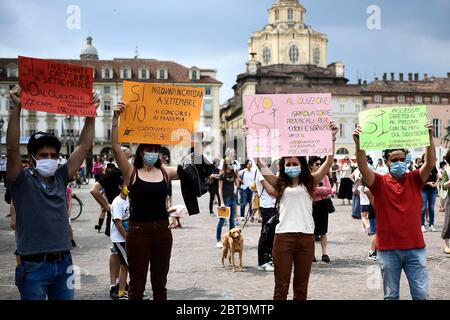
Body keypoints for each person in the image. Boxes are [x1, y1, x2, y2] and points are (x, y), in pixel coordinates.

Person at [7, 85, 99, 300]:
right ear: (32, 159)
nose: (49, 158)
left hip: (64, 262)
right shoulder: (20, 180)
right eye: (43, 155)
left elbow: (84, 146)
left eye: (53, 155)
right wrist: (17, 108)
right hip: (33, 265)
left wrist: (91, 114)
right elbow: (12, 147)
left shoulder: (60, 177)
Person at [353, 120, 435, 300]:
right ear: (387, 162)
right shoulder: (379, 182)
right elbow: (363, 167)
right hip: (388, 250)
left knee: (421, 295)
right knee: (391, 296)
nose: (399, 163)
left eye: (402, 160)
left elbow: (429, 164)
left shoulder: (414, 179)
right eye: (394, 160)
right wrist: (359, 144)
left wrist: (429, 137)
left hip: (416, 248)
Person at [255, 121, 338, 300]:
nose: (291, 166)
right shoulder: (280, 183)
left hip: (306, 238)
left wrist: (331, 138)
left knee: (301, 289)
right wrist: (252, 139)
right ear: (283, 166)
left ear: (301, 164)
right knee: (281, 288)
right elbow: (260, 164)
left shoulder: (310, 182)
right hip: (283, 238)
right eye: (288, 164)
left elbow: (329, 161)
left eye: (294, 163)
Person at [112, 101, 181, 300]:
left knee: (160, 284)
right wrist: (115, 119)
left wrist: (197, 142)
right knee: (137, 285)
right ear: (141, 151)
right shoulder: (131, 172)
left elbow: (189, 171)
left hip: (162, 231)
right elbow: (116, 148)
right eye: (148, 148)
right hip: (138, 232)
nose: (152, 152)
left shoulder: (165, 172)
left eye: (155, 149)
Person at [309, 156, 333, 263]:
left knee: (323, 231)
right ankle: (312, 254)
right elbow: (310, 191)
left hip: (323, 205)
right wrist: (322, 190)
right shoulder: (309, 177)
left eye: (320, 164)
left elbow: (329, 190)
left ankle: (324, 253)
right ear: (311, 166)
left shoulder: (325, 177)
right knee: (312, 232)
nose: (319, 166)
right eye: (317, 164)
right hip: (312, 205)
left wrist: (318, 190)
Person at [110, 183, 130, 300]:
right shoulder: (117, 202)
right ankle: (128, 291)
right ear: (120, 187)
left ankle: (122, 292)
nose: (128, 188)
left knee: (125, 265)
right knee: (129, 264)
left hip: (126, 238)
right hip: (120, 239)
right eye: (126, 186)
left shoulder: (128, 200)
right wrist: (127, 238)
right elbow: (118, 223)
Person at [255, 167, 277, 271]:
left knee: (271, 235)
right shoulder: (261, 172)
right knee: (265, 234)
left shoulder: (268, 171)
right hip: (266, 206)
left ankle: (268, 258)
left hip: (273, 206)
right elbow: (271, 191)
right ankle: (262, 262)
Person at [216, 161, 239, 248]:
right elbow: (220, 189)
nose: (232, 165)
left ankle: (231, 240)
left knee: (232, 221)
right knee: (222, 221)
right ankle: (218, 240)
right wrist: (221, 201)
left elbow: (237, 184)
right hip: (225, 199)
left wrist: (236, 190)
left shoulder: (234, 173)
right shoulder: (222, 175)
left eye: (233, 164)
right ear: (226, 165)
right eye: (230, 164)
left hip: (233, 198)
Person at [421, 154, 439, 232]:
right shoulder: (421, 167)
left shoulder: (433, 167)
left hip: (433, 190)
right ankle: (422, 224)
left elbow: (438, 176)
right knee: (423, 208)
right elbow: (418, 181)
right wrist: (427, 183)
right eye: (425, 157)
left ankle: (431, 224)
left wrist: (436, 183)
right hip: (424, 190)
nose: (428, 158)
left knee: (431, 208)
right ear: (423, 159)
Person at [440, 150, 450, 254]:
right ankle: (446, 245)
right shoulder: (447, 170)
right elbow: (443, 185)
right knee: (448, 220)